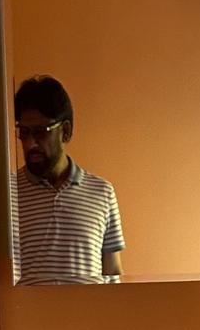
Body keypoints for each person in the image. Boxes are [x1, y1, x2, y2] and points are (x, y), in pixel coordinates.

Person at [11, 76, 125, 286]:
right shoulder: (7, 192)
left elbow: (112, 272)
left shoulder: (102, 192)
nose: (30, 143)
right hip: (29, 316)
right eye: (24, 133)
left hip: (89, 316)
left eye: (40, 132)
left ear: (65, 131)